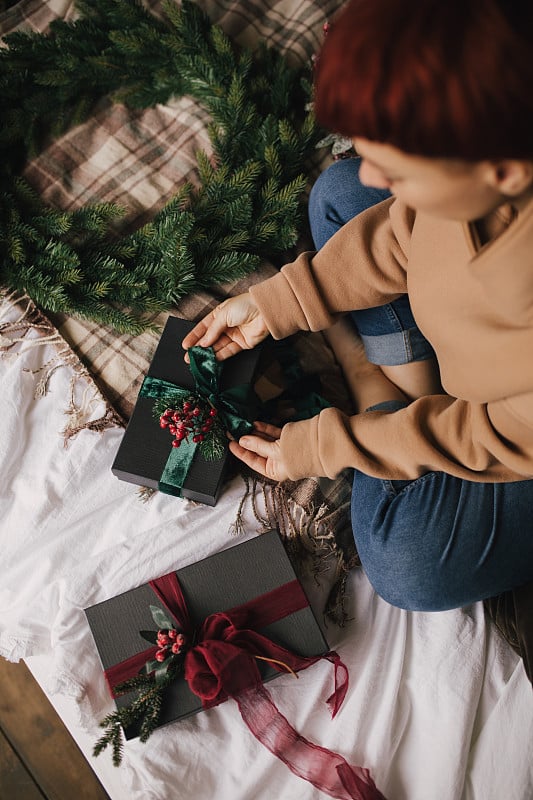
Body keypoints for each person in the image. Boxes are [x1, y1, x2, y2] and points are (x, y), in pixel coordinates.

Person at [182, 0, 533, 612]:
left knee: (408, 566)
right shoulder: (489, 154)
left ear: (502, 169)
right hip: (478, 362)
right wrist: (286, 301)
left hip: (512, 440)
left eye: (395, 164)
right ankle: (409, 388)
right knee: (344, 193)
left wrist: (337, 443)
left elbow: (484, 437)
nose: (373, 167)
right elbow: (407, 232)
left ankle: (377, 386)